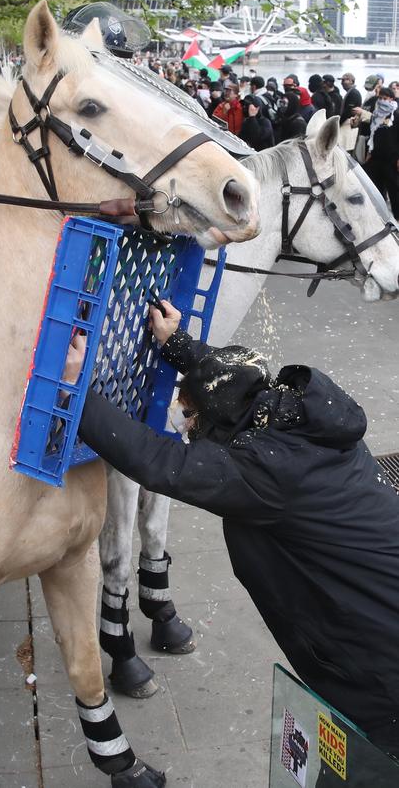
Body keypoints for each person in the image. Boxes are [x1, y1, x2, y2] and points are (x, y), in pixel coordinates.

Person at [64, 301, 399, 762]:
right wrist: (178, 346)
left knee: (372, 764)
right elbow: (239, 384)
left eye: (192, 417)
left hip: (381, 666)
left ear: (217, 422)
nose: (186, 425)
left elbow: (160, 463)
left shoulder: (263, 473)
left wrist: (74, 391)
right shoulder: (304, 421)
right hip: (380, 619)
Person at [363, 86, 398, 219]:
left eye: (385, 98)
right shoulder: (376, 115)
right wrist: (369, 153)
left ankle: (397, 217)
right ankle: (381, 216)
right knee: (376, 188)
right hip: (376, 157)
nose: (383, 101)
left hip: (391, 159)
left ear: (391, 99)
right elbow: (372, 136)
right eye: (381, 98)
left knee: (394, 189)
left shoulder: (396, 114)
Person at [339, 72, 362, 154]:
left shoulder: (353, 93)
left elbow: (348, 111)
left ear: (351, 81)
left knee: (345, 149)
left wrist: (338, 123)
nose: (342, 83)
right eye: (341, 81)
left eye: (344, 80)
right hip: (348, 123)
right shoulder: (351, 92)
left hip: (349, 123)